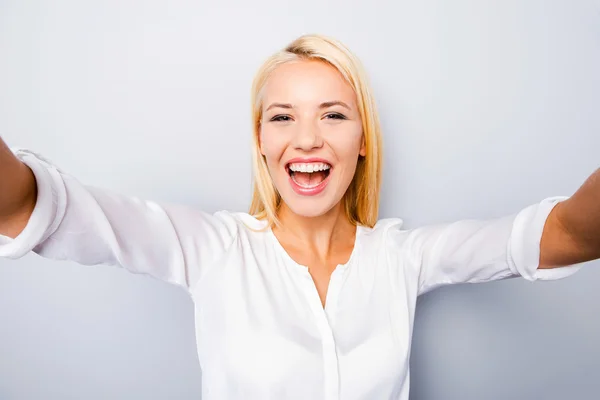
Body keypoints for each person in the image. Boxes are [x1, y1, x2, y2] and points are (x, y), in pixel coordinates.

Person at [0, 33, 598, 400]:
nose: (307, 138)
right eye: (282, 117)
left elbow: (566, 233)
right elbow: (32, 206)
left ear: (363, 139)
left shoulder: (399, 257)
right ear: (259, 140)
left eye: (334, 115)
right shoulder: (214, 248)